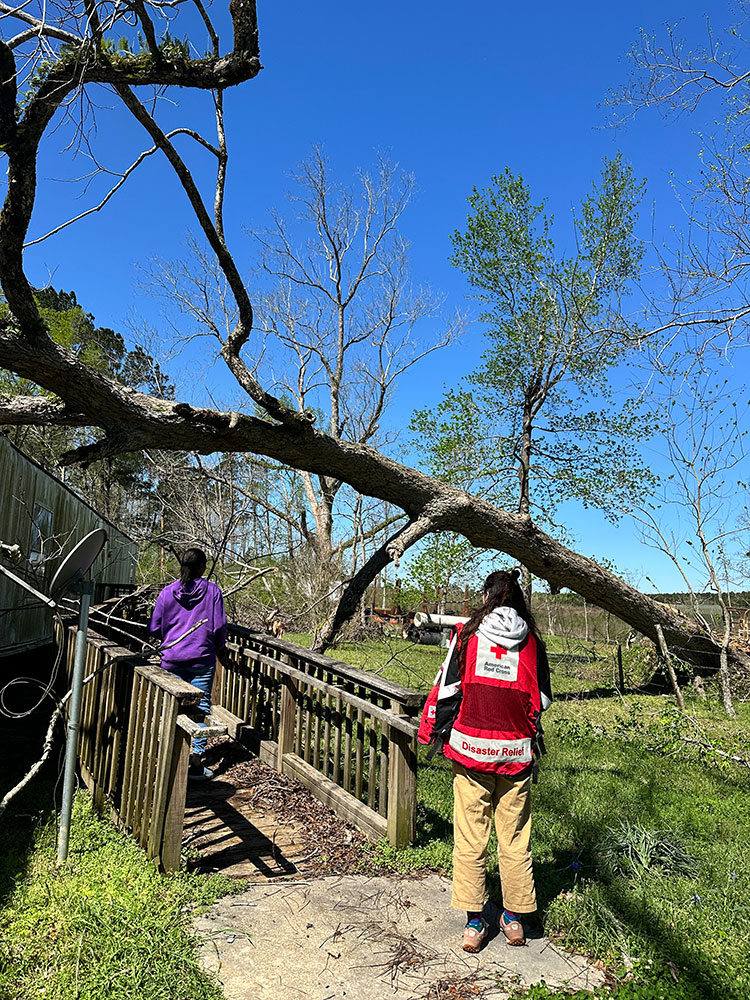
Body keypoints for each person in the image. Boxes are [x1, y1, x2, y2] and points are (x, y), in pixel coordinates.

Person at [431, 569, 552, 952]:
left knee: (471, 838)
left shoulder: (467, 635)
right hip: (516, 754)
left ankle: (474, 924)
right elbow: (543, 699)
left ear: (487, 597)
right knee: (515, 839)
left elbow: (448, 688)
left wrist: (438, 731)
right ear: (518, 600)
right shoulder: (532, 642)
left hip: (470, 750)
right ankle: (514, 920)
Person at [148, 547, 228, 780]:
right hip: (202, 660)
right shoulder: (212, 592)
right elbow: (219, 628)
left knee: (172, 708)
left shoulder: (166, 593)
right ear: (201, 567)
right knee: (200, 709)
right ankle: (195, 761)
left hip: (171, 660)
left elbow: (154, 627)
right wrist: (220, 651)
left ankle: (170, 758)